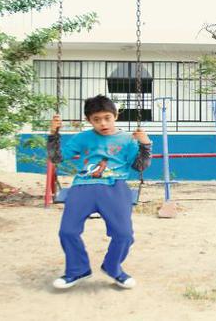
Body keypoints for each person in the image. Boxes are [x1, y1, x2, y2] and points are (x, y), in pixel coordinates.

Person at [47, 94, 152, 290]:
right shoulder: (83, 138)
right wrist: (53, 133)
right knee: (67, 231)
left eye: (107, 118)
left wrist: (145, 145)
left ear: (116, 116)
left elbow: (139, 166)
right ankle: (78, 269)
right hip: (82, 186)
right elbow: (56, 158)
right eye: (96, 119)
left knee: (124, 234)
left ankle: (113, 267)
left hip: (115, 186)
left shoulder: (128, 139)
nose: (103, 123)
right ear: (89, 120)